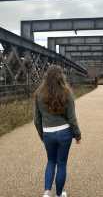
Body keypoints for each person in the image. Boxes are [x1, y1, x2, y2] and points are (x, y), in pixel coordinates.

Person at [33, 65, 81, 197]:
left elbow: (37, 120)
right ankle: (59, 194)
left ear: (46, 76)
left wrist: (42, 135)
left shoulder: (39, 94)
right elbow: (72, 118)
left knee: (50, 161)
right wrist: (77, 135)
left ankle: (47, 193)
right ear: (61, 76)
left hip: (48, 132)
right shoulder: (67, 93)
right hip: (65, 132)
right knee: (61, 163)